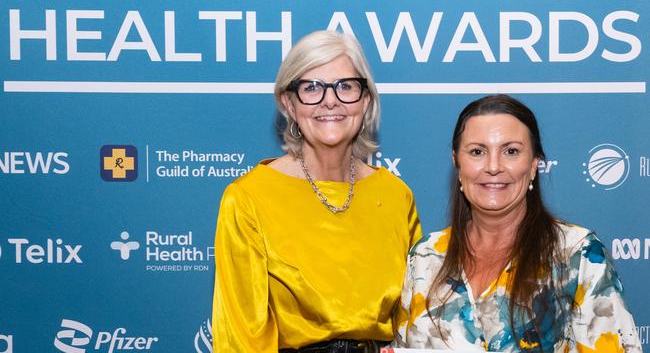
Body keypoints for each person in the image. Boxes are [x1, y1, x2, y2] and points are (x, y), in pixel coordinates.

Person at [212, 30, 422, 352]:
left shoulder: (396, 196)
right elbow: (241, 338)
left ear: (366, 100)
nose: (330, 100)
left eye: (346, 86)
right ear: (289, 103)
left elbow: (414, 323)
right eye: (311, 87)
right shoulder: (249, 198)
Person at [393, 94, 642, 352]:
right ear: (457, 162)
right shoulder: (426, 255)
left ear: (534, 165)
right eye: (477, 151)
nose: (493, 166)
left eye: (511, 151)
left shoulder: (578, 256)